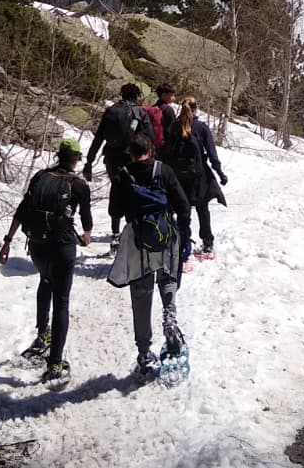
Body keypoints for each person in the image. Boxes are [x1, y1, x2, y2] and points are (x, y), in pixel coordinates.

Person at [0, 137, 92, 384]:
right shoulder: (78, 184)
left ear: (59, 155)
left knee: (45, 281)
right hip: (62, 247)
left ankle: (43, 335)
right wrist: (86, 236)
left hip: (38, 246)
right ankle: (55, 364)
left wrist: (8, 241)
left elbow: (22, 210)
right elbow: (86, 219)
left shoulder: (40, 177)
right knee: (61, 301)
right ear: (75, 159)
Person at [107, 131, 190, 377]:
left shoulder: (122, 175)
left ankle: (144, 353)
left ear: (130, 154)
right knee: (167, 277)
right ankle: (170, 316)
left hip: (138, 241)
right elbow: (183, 206)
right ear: (150, 151)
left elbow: (114, 211)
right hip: (165, 235)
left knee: (141, 295)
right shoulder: (163, 171)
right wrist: (184, 235)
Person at [83, 82, 154, 239]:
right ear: (136, 96)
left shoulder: (111, 111)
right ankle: (132, 228)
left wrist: (89, 161)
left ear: (122, 94)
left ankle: (115, 232)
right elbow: (150, 137)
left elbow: (98, 137)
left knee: (116, 190)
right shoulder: (139, 112)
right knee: (133, 191)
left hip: (112, 157)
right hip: (133, 157)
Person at [167, 97, 226, 260]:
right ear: (196, 108)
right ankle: (207, 244)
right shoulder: (201, 127)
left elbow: (167, 152)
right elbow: (212, 154)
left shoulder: (174, 126)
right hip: (198, 176)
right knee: (202, 208)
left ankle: (183, 245)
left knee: (182, 211)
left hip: (178, 177)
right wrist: (220, 173)